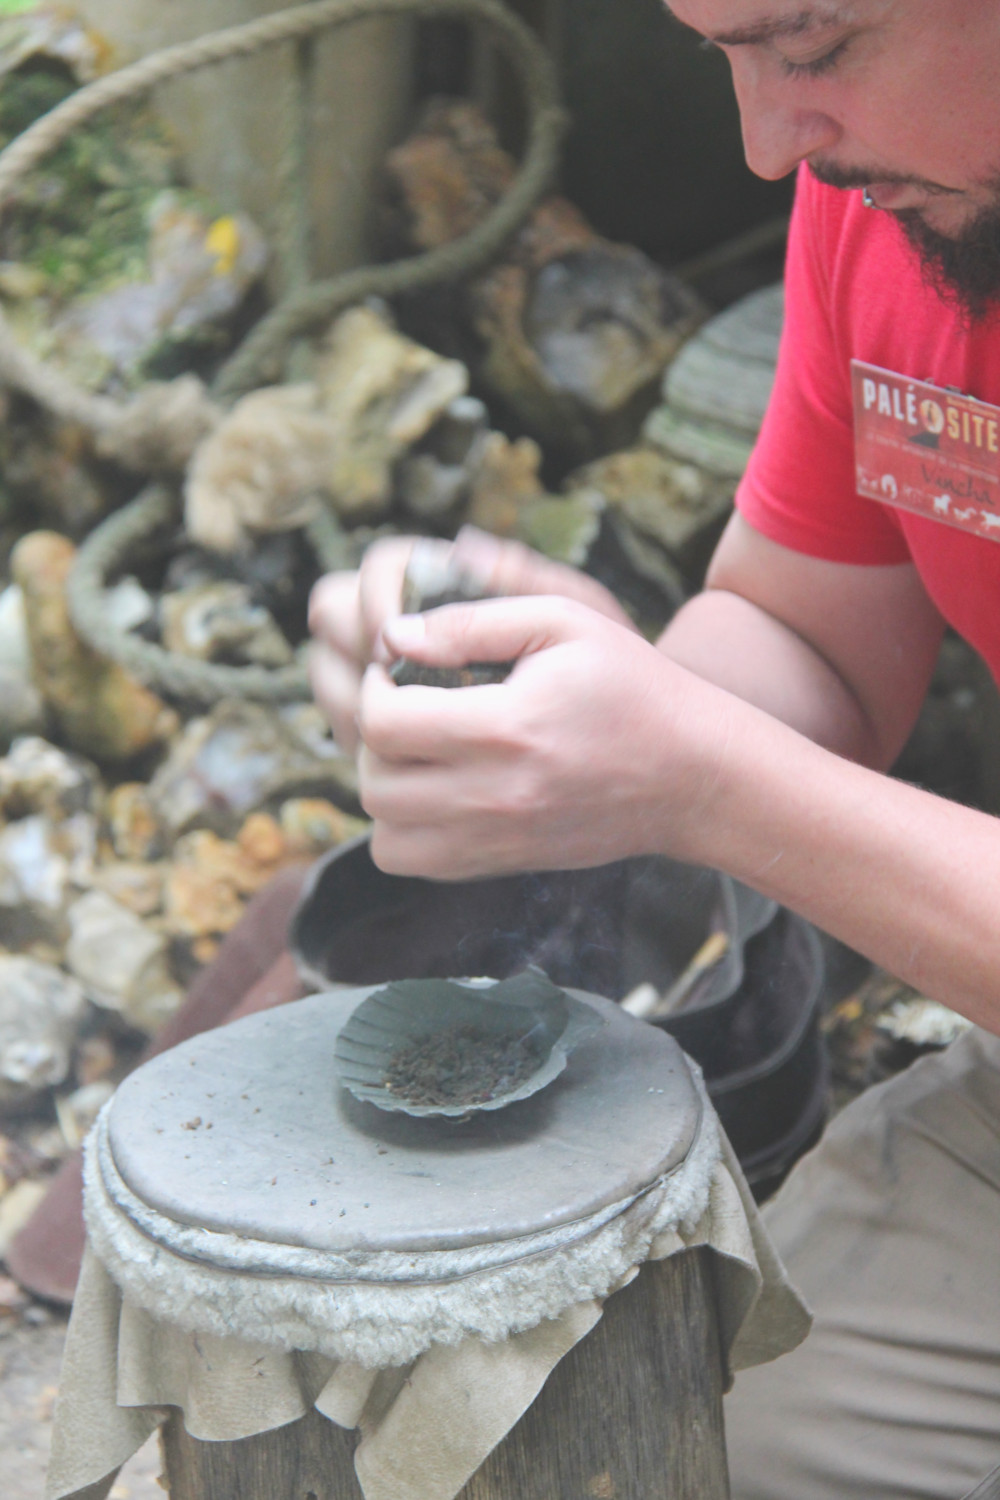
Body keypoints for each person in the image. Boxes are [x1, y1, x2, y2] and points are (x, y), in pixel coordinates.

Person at [308, 2, 1000, 1494]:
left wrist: (703, 781)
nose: (768, 150)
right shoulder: (890, 210)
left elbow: (735, 777)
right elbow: (809, 635)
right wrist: (583, 682)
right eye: (722, 54)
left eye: (812, 50)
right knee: (693, 1432)